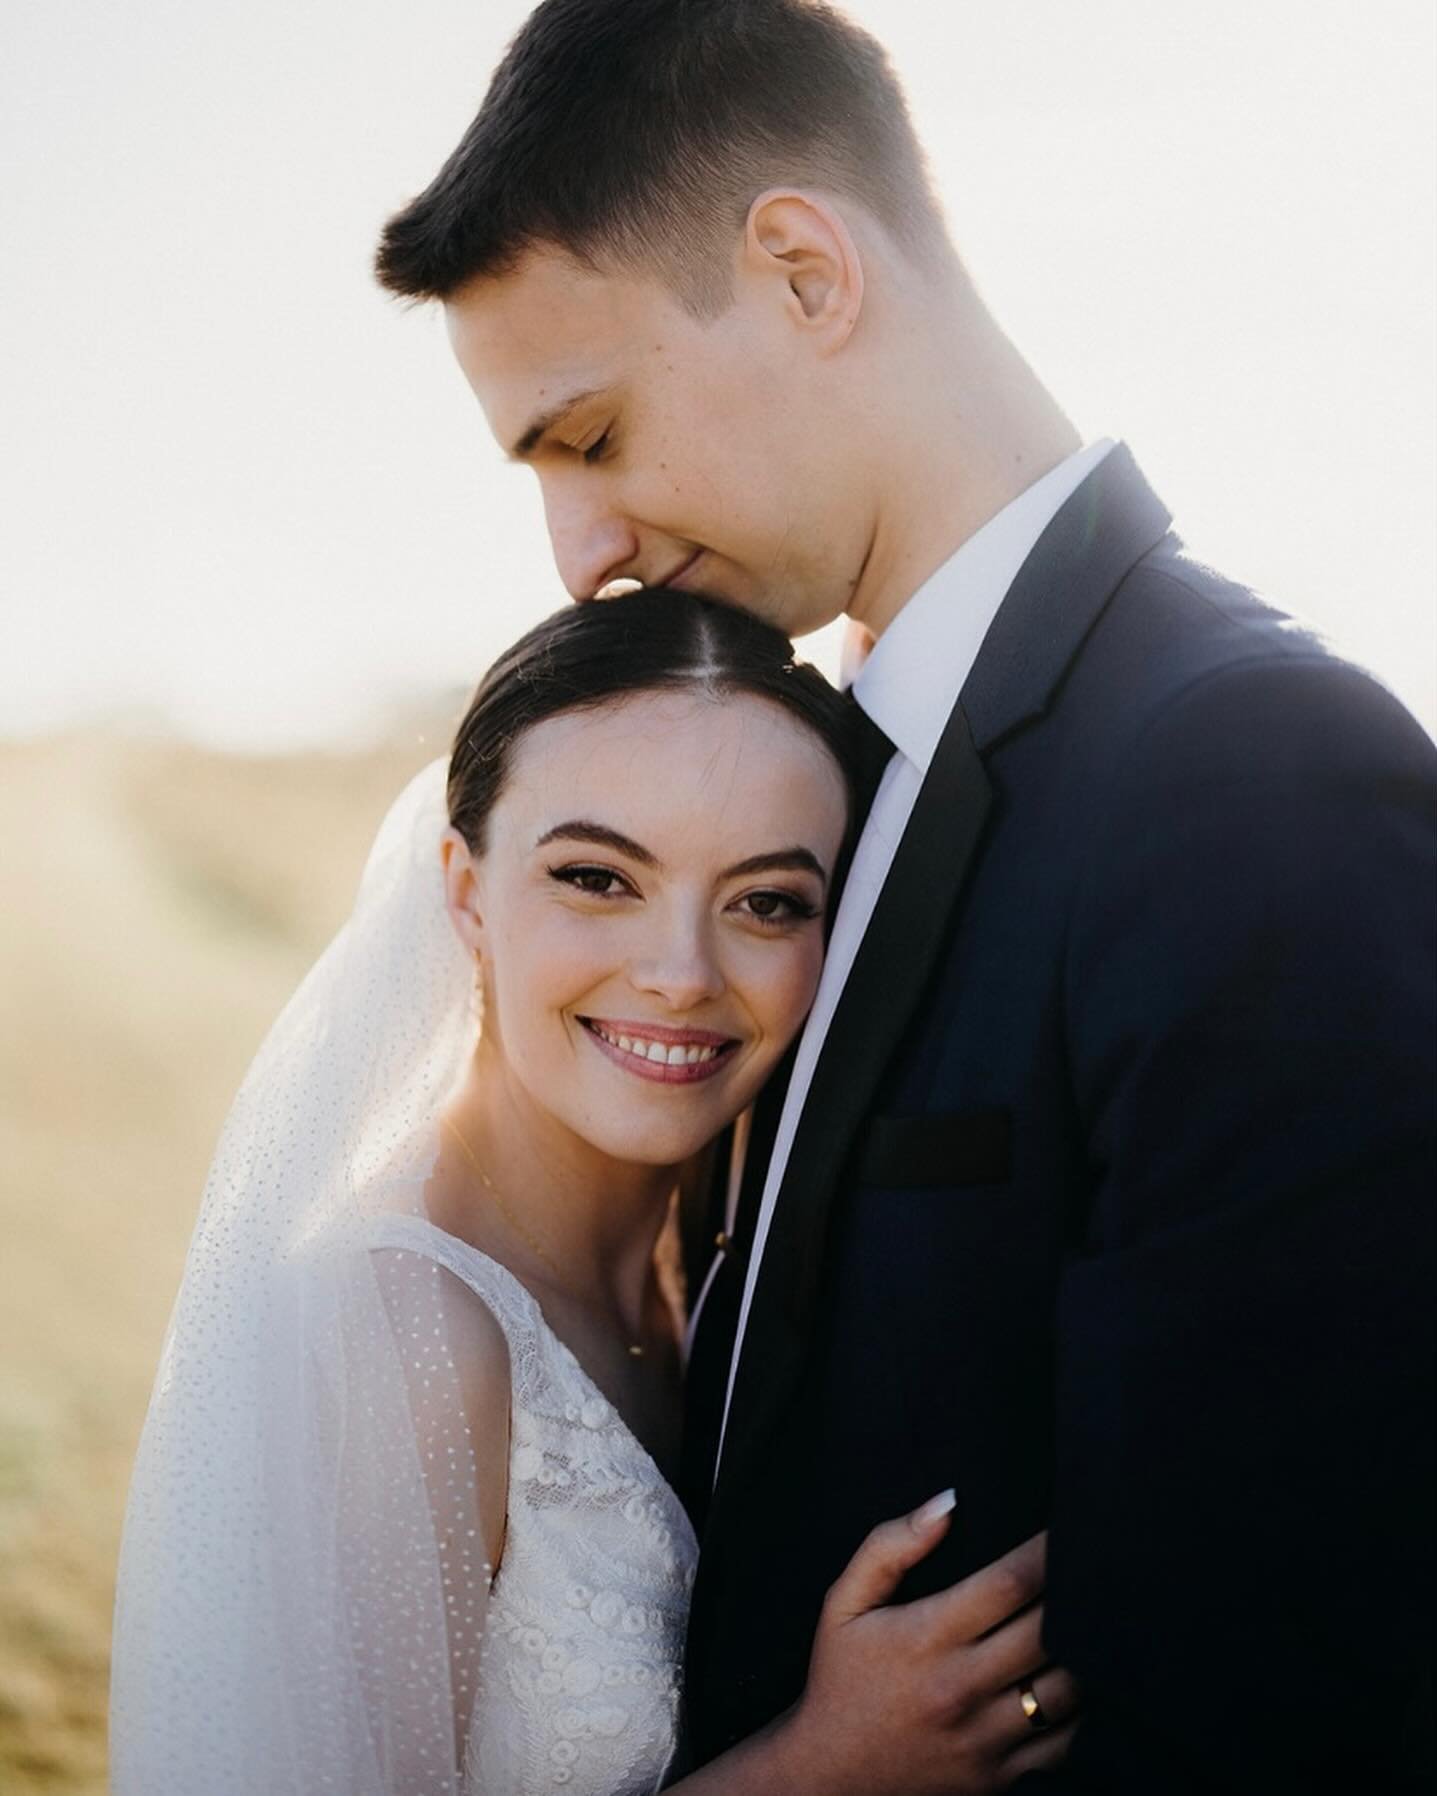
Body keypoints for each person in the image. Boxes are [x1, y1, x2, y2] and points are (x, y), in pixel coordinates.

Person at [373, 1, 1437, 1790]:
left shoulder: (1246, 774)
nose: (582, 552)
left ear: (801, 269)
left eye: (594, 433)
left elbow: (1275, 1679)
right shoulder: (806, 785)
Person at [110, 591, 1079, 1794]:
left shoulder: (718, 1250)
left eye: (768, 900)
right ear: (465, 889)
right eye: (597, 877)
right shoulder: (406, 1329)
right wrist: (823, 1764)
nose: (680, 974)